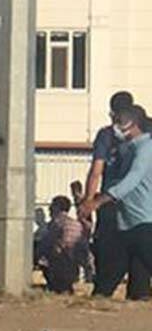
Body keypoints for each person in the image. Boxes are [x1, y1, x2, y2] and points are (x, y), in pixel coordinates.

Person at [79, 105, 152, 300]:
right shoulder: (128, 149)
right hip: (126, 223)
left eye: (119, 122)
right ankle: (98, 301)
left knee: (134, 270)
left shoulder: (146, 149)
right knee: (110, 275)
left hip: (145, 222)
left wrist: (98, 201)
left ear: (132, 124)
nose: (115, 128)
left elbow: (131, 180)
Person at [38, 196, 90, 294]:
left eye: (52, 205)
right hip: (74, 264)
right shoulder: (76, 224)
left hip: (59, 263)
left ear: (57, 207)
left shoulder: (56, 223)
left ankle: (54, 286)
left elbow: (47, 243)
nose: (49, 208)